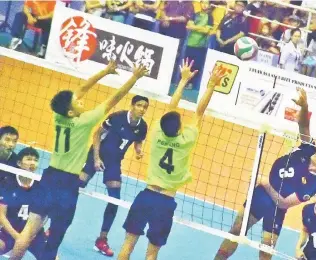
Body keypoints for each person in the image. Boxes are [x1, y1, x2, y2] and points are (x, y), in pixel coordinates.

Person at [9, 61, 148, 260]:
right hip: (67, 184)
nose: (82, 102)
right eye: (78, 103)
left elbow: (80, 89)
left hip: (49, 177)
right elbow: (114, 99)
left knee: (28, 232)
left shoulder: (59, 116)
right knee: (55, 239)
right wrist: (134, 77)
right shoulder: (84, 122)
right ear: (72, 111)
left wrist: (105, 72)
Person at [214, 88, 316, 260]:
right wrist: (304, 106)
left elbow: (283, 203)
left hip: (276, 207)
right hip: (260, 197)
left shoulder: (314, 184)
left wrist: (264, 182)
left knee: (266, 249)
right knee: (236, 231)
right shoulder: (308, 149)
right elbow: (304, 125)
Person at [117, 58, 225, 260]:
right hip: (165, 201)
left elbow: (171, 107)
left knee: (127, 245)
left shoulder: (157, 132)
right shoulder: (186, 139)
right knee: (151, 254)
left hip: (146, 195)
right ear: (179, 128)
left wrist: (183, 80)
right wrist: (211, 86)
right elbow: (199, 113)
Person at [79, 95, 149, 257]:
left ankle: (102, 239)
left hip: (114, 161)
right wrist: (96, 158)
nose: (142, 109)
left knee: (114, 199)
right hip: (96, 155)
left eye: (145, 107)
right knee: (74, 188)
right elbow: (97, 135)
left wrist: (138, 150)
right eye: (139, 105)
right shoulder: (116, 117)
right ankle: (50, 228)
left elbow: (138, 140)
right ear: (132, 106)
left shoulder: (142, 127)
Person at [0, 147, 47, 259]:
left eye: (35, 160)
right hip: (10, 232)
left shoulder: (42, 186)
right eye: (29, 159)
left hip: (34, 234)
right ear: (19, 163)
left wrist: (28, 236)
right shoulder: (8, 182)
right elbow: (1, 215)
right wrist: (17, 237)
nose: (32, 163)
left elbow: (44, 217)